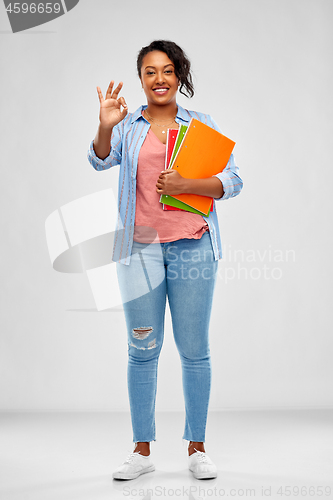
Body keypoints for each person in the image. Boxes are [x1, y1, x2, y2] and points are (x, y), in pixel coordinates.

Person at [87, 40, 243, 480]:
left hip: (194, 245)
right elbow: (100, 160)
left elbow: (233, 180)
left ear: (180, 77)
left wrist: (188, 181)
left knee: (194, 350)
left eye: (168, 71)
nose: (160, 79)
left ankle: (197, 447)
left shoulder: (202, 125)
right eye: (151, 71)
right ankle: (141, 450)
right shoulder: (127, 126)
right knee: (142, 349)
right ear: (141, 79)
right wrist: (104, 126)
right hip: (139, 250)